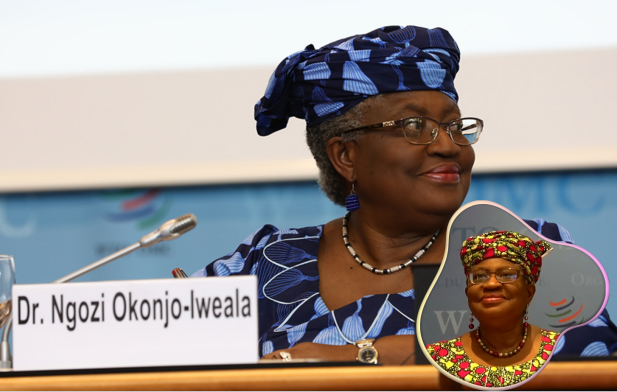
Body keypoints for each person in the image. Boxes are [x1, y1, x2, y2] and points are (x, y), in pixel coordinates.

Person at [192, 25, 617, 364]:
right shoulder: (260, 264)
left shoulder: (526, 248)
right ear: (346, 156)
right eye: (415, 127)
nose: (449, 146)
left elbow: (584, 355)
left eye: (455, 126)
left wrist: (361, 355)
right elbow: (161, 356)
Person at [427, 231, 558, 387]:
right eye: (479, 277)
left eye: (507, 275)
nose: (491, 284)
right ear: (467, 292)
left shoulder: (558, 349)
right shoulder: (440, 357)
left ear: (529, 292)